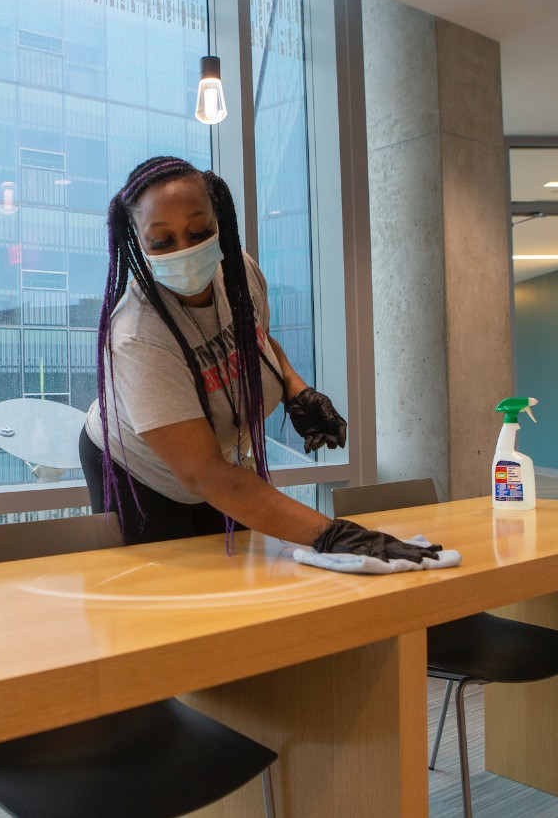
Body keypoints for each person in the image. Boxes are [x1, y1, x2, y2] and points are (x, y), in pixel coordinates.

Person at [79, 156, 440, 563]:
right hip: (143, 473)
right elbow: (203, 473)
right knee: (177, 595)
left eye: (199, 231)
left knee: (237, 575)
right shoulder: (136, 336)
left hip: (218, 462)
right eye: (162, 242)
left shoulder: (238, 272)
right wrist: (331, 533)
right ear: (139, 245)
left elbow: (255, 340)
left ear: (219, 220)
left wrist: (295, 390)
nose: (185, 250)